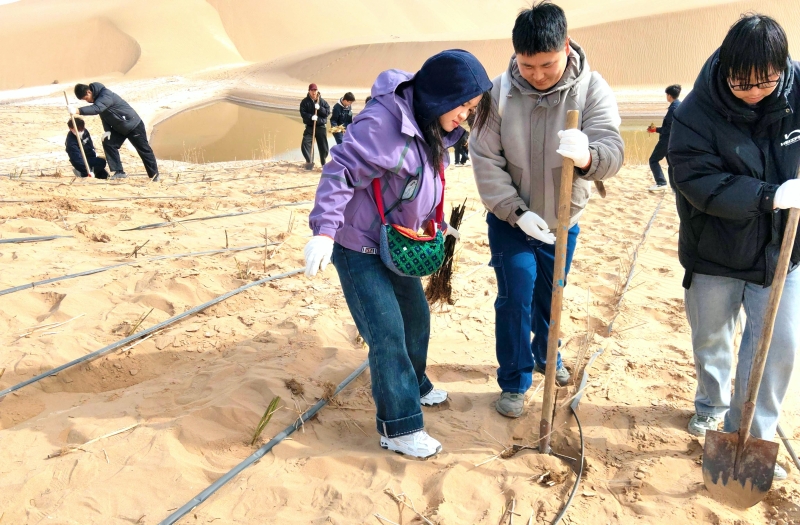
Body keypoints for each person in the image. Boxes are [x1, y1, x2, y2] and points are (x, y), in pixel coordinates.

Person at [304, 50, 493, 458]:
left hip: (399, 241)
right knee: (386, 331)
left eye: (472, 108)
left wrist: (436, 224)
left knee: (415, 316)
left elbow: (419, 179)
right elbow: (340, 170)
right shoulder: (382, 124)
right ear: (441, 96)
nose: (465, 115)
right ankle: (400, 426)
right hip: (356, 245)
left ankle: (416, 383)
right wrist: (323, 231)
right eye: (463, 105)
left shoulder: (430, 119)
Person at [470, 1, 624, 418]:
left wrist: (589, 156)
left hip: (561, 220)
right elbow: (485, 159)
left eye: (547, 65)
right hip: (511, 219)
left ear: (567, 47)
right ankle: (515, 381)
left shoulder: (591, 89)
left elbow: (613, 149)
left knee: (549, 294)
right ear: (515, 55)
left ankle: (546, 355)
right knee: (516, 291)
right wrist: (516, 212)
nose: (537, 74)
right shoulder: (498, 92)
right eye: (527, 65)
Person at [669, 14, 800, 481]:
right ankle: (710, 403)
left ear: (781, 68)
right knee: (712, 339)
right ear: (726, 67)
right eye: (744, 83)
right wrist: (769, 196)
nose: (756, 92)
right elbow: (695, 180)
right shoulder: (693, 114)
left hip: (783, 250)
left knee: (777, 347)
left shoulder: (796, 89)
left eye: (767, 81)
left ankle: (753, 435)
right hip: (715, 249)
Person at [72, 83, 159, 182]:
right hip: (120, 127)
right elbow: (104, 116)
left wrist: (78, 111)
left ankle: (154, 175)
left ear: (89, 92)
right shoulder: (98, 99)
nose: (86, 101)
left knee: (143, 150)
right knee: (109, 143)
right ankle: (119, 172)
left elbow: (97, 109)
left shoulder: (105, 95)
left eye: (85, 98)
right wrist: (107, 131)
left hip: (133, 125)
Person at [646, 84, 682, 191]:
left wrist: (655, 129)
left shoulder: (673, 108)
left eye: (667, 94)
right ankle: (674, 187)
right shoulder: (679, 105)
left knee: (653, 160)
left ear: (669, 96)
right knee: (671, 164)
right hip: (673, 140)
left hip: (667, 140)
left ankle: (661, 182)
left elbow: (668, 129)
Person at [299, 83, 331, 166]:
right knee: (305, 144)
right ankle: (310, 162)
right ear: (309, 91)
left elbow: (327, 113)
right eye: (312, 90)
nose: (313, 92)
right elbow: (303, 113)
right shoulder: (304, 102)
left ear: (317, 91)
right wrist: (311, 117)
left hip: (320, 126)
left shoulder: (322, 102)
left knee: (323, 147)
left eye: (315, 90)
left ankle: (323, 163)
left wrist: (320, 109)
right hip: (310, 126)